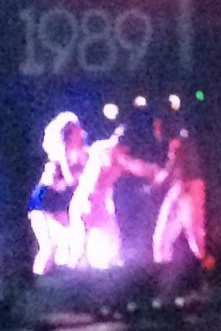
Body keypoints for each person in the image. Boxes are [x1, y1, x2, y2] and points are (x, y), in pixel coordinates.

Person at [69, 128, 159, 270]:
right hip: (91, 202)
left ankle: (87, 273)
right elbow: (136, 167)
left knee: (99, 246)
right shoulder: (114, 153)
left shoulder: (102, 148)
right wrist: (155, 171)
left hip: (89, 200)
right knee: (98, 249)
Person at [28, 111, 86, 274]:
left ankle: (63, 280)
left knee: (69, 244)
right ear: (68, 135)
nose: (80, 133)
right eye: (75, 131)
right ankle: (39, 281)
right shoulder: (58, 158)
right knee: (48, 246)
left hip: (59, 203)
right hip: (44, 204)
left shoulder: (78, 155)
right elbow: (68, 182)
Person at [151, 132, 206, 265]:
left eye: (158, 127)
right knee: (191, 233)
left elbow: (172, 167)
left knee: (192, 233)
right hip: (184, 187)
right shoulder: (183, 142)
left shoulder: (177, 143)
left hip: (187, 188)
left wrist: (156, 182)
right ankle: (203, 268)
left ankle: (205, 269)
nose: (156, 131)